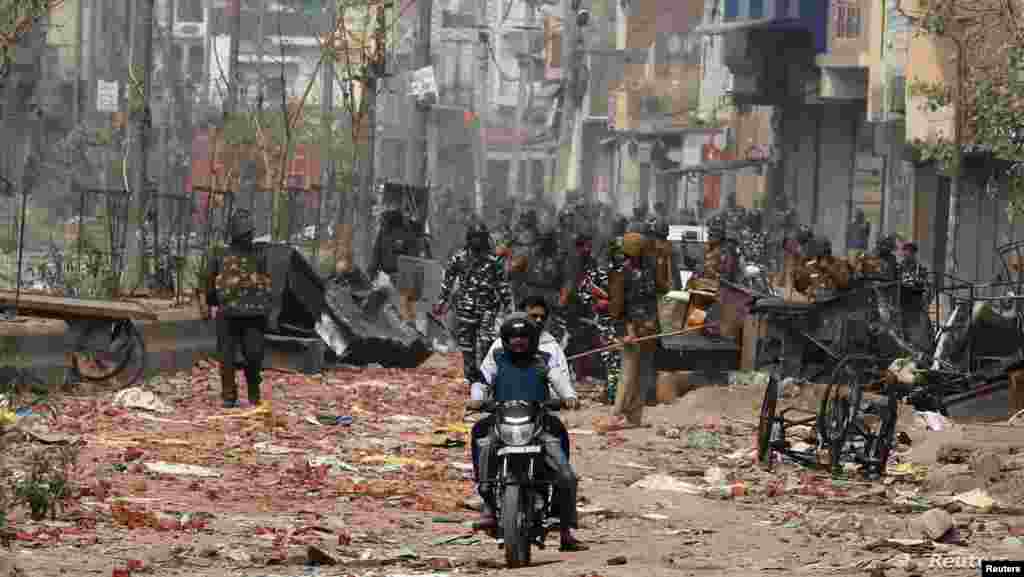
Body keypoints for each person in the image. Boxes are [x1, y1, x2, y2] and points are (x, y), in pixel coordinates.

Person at [469, 312, 586, 552]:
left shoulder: (543, 359)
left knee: (566, 474)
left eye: (524, 336)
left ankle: (565, 527)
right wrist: (476, 399)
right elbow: (481, 382)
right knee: (481, 436)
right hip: (502, 421)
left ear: (532, 338)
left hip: (538, 423)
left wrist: (569, 396)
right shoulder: (497, 358)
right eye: (513, 336)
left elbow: (558, 379)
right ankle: (487, 499)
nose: (519, 341)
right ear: (505, 339)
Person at [206, 209, 272, 409]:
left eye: (249, 232)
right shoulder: (220, 256)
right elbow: (209, 284)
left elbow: (267, 286)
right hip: (228, 314)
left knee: (253, 356)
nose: (248, 236)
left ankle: (253, 391)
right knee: (227, 357)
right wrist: (211, 303)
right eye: (245, 233)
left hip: (253, 316)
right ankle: (229, 395)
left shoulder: (260, 256)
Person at [434, 222, 514, 386]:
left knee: (486, 341)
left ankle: (486, 376)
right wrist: (441, 302)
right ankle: (471, 377)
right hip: (466, 307)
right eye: (474, 237)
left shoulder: (493, 261)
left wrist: (508, 308)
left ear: (485, 239)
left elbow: (502, 285)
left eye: (480, 237)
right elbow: (447, 282)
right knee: (467, 344)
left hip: (488, 307)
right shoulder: (459, 259)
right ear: (469, 239)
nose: (477, 241)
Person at [607, 221, 661, 428]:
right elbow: (617, 307)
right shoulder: (621, 273)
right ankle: (616, 414)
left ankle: (635, 417)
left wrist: (655, 326)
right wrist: (624, 332)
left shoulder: (649, 271)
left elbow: (655, 298)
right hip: (632, 331)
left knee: (644, 374)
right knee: (628, 375)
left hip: (649, 330)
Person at [523, 229, 568, 343]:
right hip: (533, 293)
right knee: (531, 328)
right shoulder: (532, 255)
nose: (544, 243)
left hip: (551, 294)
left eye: (547, 240)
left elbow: (565, 279)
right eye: (542, 240)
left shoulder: (559, 257)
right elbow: (522, 276)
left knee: (552, 331)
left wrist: (562, 298)